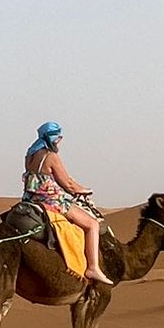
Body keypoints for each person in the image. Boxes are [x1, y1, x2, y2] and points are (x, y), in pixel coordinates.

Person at [23, 121, 114, 285]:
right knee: (92, 224)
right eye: (58, 137)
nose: (59, 141)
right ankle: (93, 267)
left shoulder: (30, 155)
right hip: (52, 201)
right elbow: (68, 184)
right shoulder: (51, 156)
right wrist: (84, 190)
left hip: (32, 199)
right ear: (53, 137)